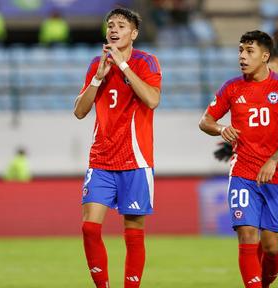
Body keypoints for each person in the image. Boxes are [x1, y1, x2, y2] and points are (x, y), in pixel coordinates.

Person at [199, 30, 278, 288]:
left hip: (276, 175)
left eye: (249, 51)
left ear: (265, 56)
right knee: (247, 235)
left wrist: (273, 160)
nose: (242, 56)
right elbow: (205, 121)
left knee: (271, 247)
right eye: (240, 50)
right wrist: (222, 129)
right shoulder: (232, 87)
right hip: (242, 173)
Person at [73, 8, 161, 288]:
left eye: (121, 26)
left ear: (133, 34)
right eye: (110, 25)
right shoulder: (95, 64)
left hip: (135, 160)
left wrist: (123, 67)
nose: (114, 29)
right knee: (89, 227)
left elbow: (152, 99)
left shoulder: (147, 62)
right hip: (101, 159)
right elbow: (79, 111)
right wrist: (98, 77)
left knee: (133, 231)